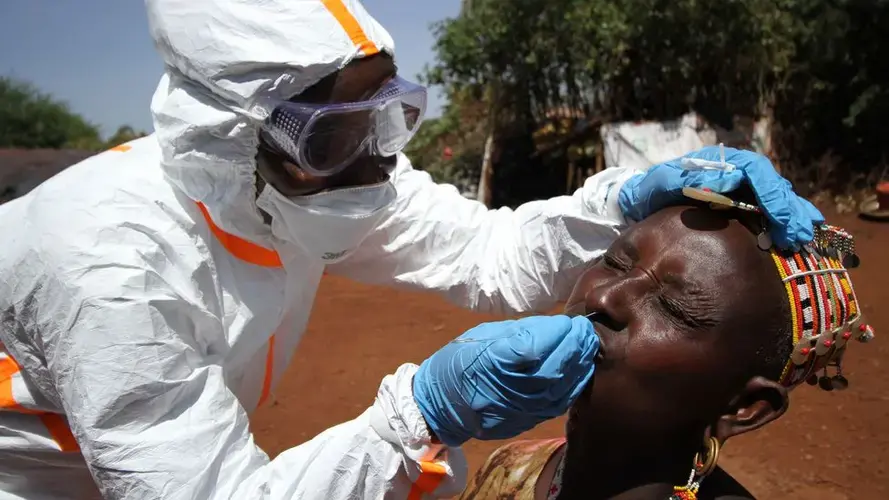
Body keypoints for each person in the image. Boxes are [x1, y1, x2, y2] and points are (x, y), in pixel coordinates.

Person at [0, 0, 823, 498]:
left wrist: (620, 198)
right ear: (228, 140)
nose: (379, 160)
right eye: (337, 136)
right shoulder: (109, 269)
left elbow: (485, 253)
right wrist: (419, 417)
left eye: (388, 116)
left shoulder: (305, 188)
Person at [456, 198, 873, 500]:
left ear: (743, 406)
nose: (605, 297)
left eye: (674, 307)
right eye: (616, 262)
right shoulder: (512, 464)